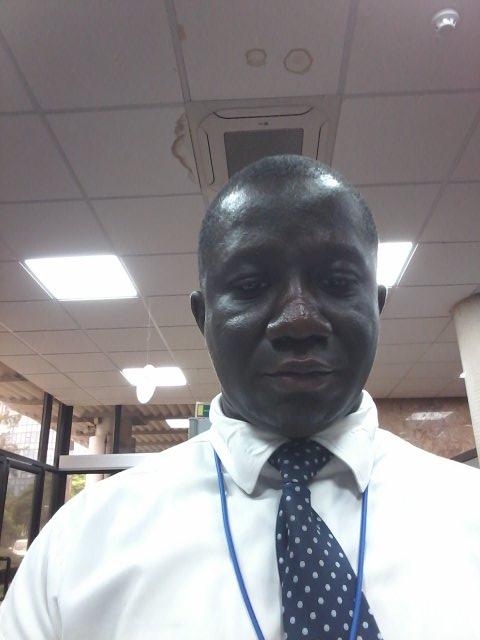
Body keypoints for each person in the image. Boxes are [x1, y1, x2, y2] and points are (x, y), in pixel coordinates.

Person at [1, 155, 479, 640]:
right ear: (203, 316)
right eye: (250, 286)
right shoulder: (80, 547)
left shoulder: (470, 512)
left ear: (376, 306)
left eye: (337, 283)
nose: (299, 320)